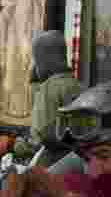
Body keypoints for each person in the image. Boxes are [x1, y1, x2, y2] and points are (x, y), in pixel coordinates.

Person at [28, 30, 83, 169]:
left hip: (50, 163)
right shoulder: (76, 84)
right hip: (73, 159)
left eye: (36, 61)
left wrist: (17, 144)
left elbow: (42, 134)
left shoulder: (48, 88)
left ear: (45, 61)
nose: (35, 66)